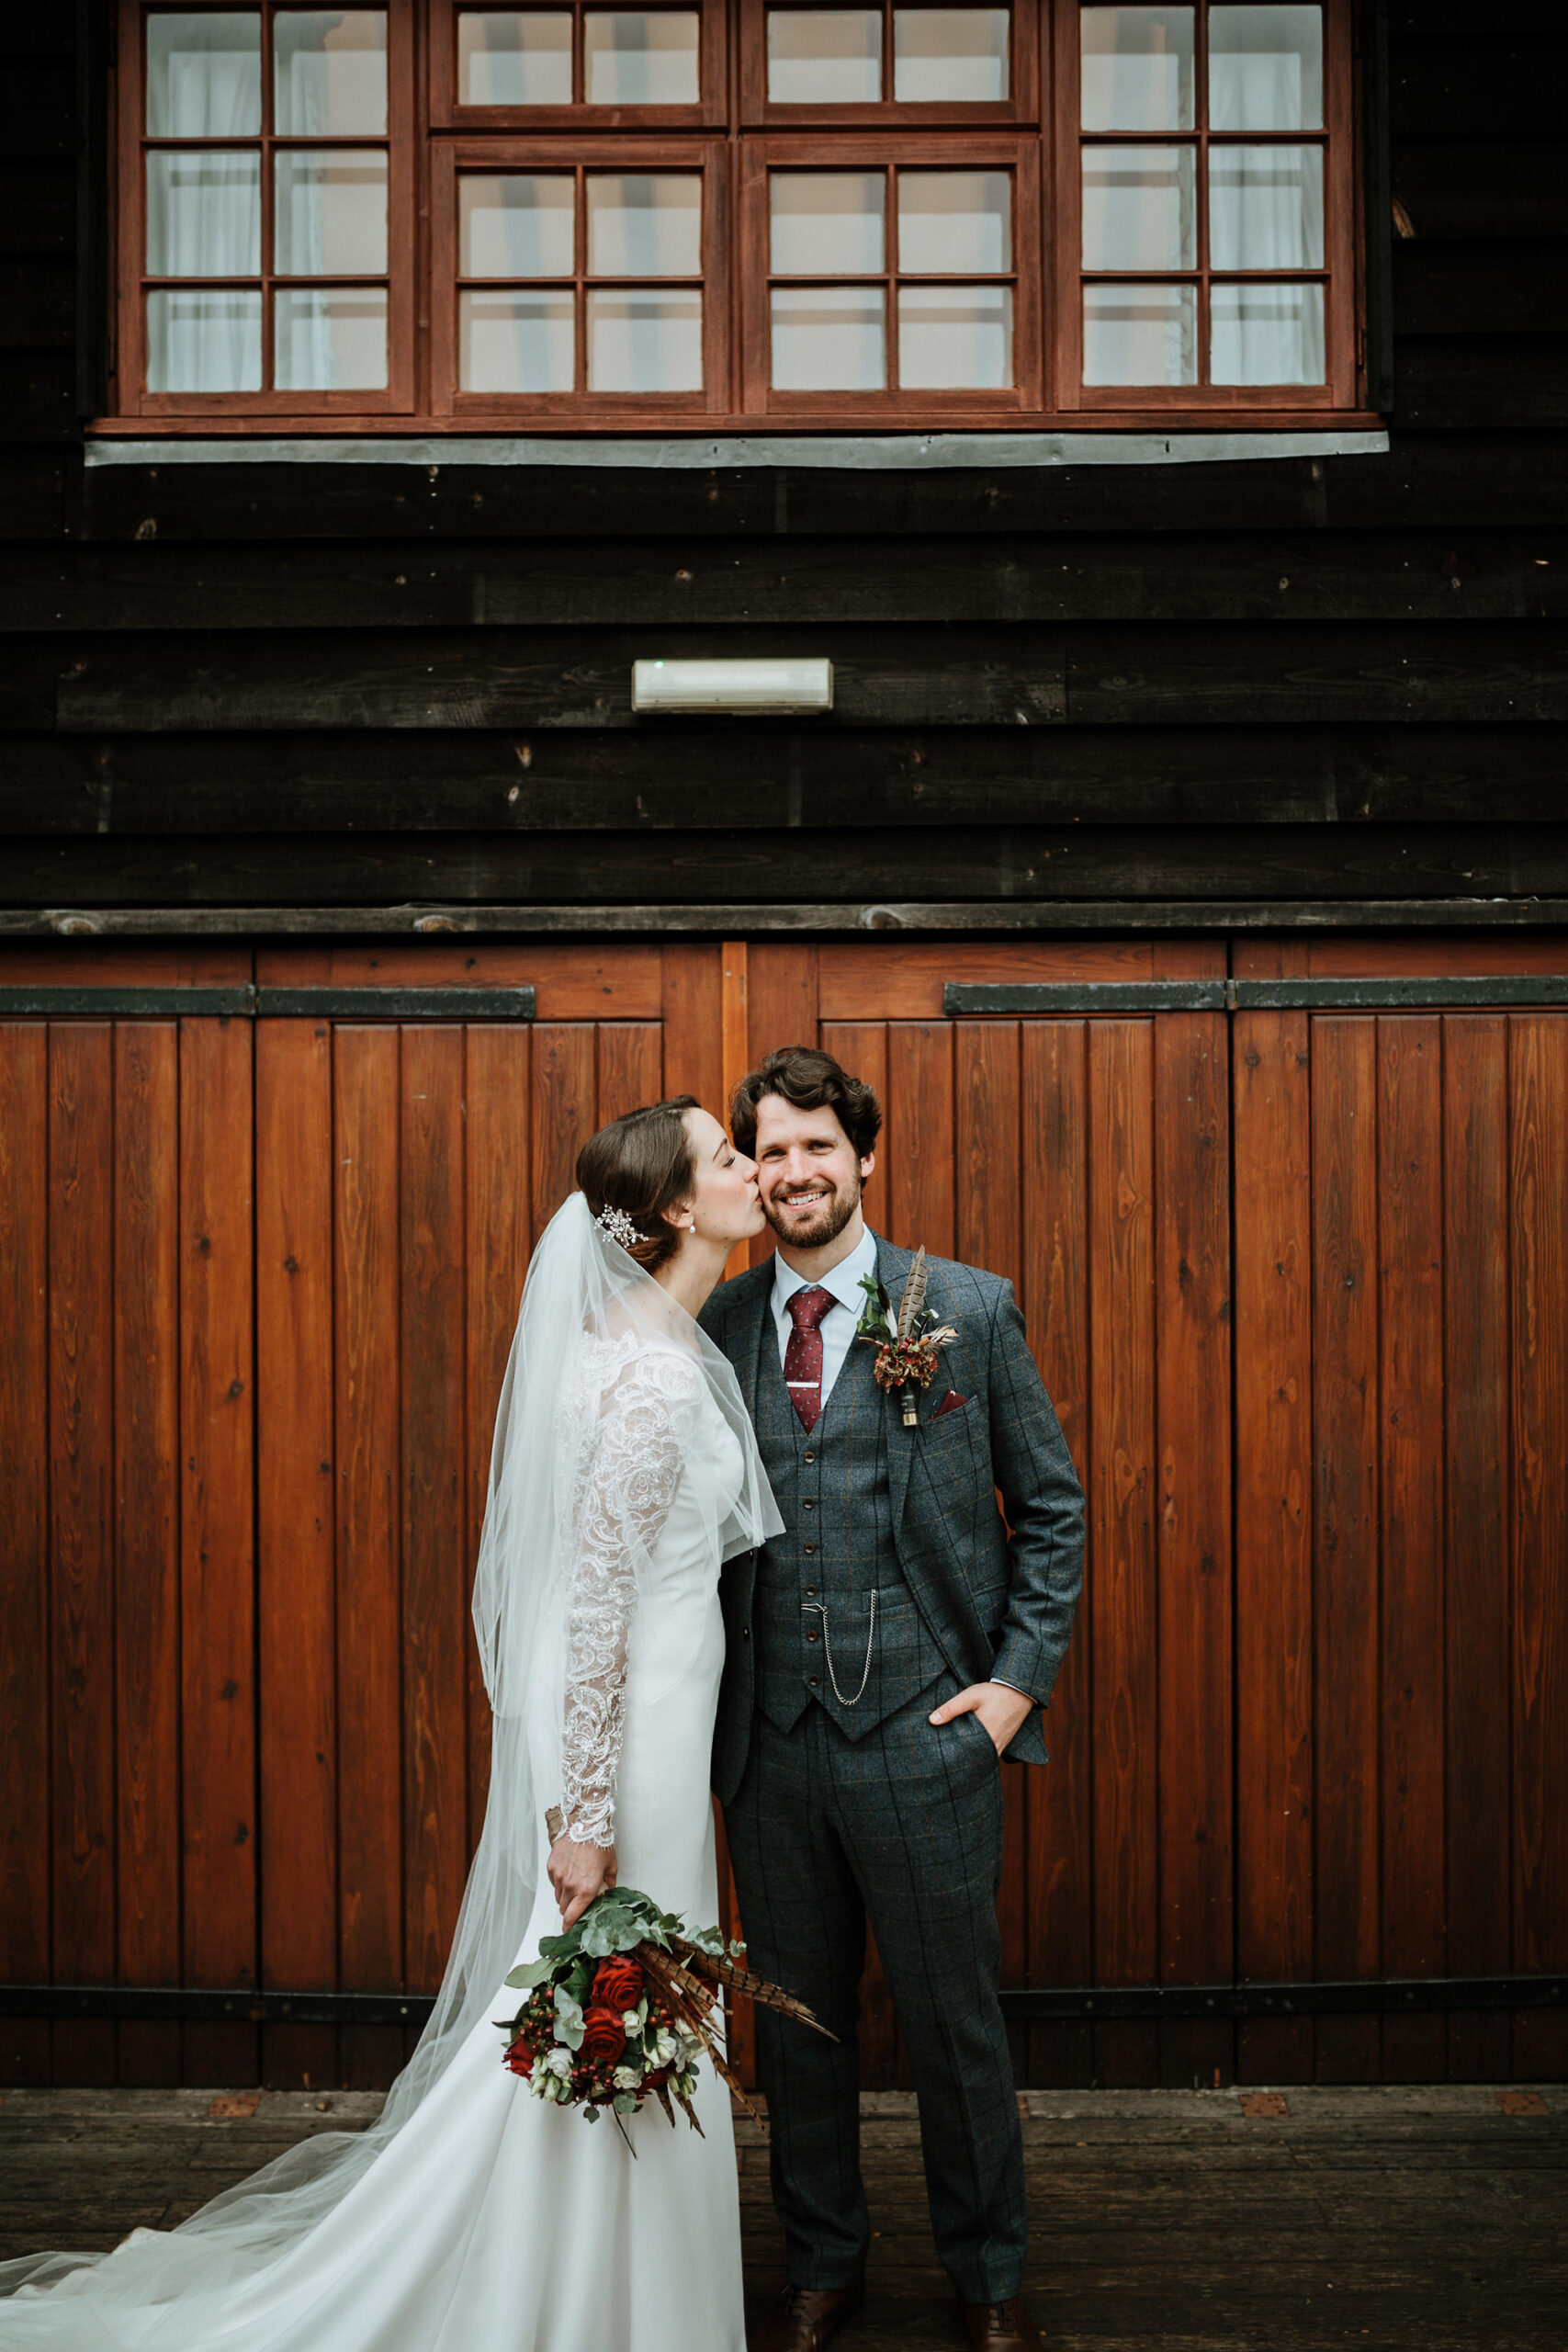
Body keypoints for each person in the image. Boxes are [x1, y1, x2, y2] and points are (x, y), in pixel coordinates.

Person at [0, 1099, 781, 2352]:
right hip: (625, 1753)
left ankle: (628, 2298)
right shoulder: (644, 1378)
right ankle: (591, 2307)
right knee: (604, 2001)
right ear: (682, 1209)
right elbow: (590, 1615)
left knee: (615, 2007)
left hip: (659, 1733)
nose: (755, 1168)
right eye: (731, 1156)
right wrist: (582, 1818)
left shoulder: (655, 1346)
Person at [700, 1046, 1086, 2352]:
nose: (795, 1171)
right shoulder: (720, 1325)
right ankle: (823, 2264)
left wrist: (1013, 1692)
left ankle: (988, 2281)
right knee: (800, 2031)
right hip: (771, 1744)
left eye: (819, 1145)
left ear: (864, 1155)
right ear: (748, 1172)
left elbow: (1051, 1508)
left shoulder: (965, 1308)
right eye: (772, 1150)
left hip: (929, 1740)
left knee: (952, 2027)